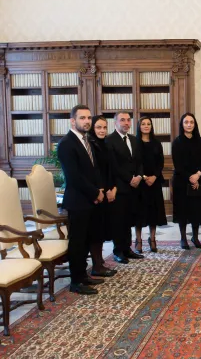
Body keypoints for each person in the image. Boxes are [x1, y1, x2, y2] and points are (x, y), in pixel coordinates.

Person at [57, 105, 105, 295]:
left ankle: (83, 275)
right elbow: (74, 176)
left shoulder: (87, 141)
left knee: (86, 240)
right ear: (72, 120)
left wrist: (98, 190)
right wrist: (95, 193)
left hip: (90, 199)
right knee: (77, 242)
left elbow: (92, 170)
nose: (87, 121)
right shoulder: (67, 144)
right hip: (78, 200)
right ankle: (75, 282)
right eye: (82, 118)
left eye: (89, 118)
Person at [105, 112, 144, 264]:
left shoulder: (134, 140)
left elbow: (140, 161)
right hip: (119, 186)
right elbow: (114, 165)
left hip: (134, 187)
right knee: (118, 220)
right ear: (115, 122)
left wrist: (139, 176)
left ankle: (127, 249)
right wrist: (129, 179)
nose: (126, 123)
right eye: (122, 120)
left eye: (128, 120)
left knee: (129, 220)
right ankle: (118, 251)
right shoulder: (110, 140)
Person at [172, 113, 201, 250]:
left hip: (198, 180)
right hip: (182, 181)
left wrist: (198, 175)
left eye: (191, 122)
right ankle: (183, 238)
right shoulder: (177, 142)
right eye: (186, 122)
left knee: (196, 210)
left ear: (195, 124)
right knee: (183, 211)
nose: (189, 124)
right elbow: (178, 165)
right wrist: (191, 177)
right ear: (182, 124)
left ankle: (195, 237)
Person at [88, 115, 117, 277]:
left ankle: (99, 262)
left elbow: (111, 169)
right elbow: (94, 171)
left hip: (108, 191)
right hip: (97, 193)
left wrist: (113, 188)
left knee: (103, 228)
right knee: (96, 231)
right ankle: (97, 265)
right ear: (93, 128)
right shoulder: (91, 145)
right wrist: (103, 190)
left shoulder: (106, 144)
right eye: (98, 127)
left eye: (104, 127)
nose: (102, 130)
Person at [134, 116, 168, 253]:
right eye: (143, 124)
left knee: (153, 212)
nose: (146, 126)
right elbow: (135, 163)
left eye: (148, 124)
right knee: (140, 213)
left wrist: (154, 176)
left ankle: (152, 239)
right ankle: (138, 240)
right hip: (140, 183)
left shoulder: (156, 143)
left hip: (154, 181)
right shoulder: (135, 143)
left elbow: (160, 163)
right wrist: (143, 176)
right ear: (139, 126)